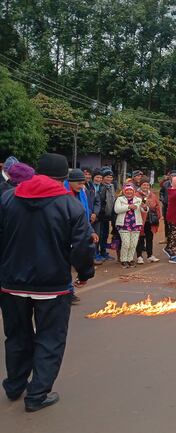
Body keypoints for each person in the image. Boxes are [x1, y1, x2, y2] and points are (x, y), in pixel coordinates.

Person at [0, 153, 95, 412]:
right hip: (52, 285)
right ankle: (37, 394)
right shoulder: (70, 205)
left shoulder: (8, 198)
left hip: (11, 283)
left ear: (36, 171)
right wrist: (85, 273)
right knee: (50, 338)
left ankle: (14, 385)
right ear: (64, 177)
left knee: (16, 336)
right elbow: (83, 245)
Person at [114, 184, 145, 268]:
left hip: (136, 224)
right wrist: (128, 207)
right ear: (124, 191)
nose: (129, 192)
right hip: (123, 225)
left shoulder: (138, 199)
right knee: (126, 243)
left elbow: (143, 210)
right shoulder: (120, 199)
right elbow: (117, 210)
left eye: (131, 190)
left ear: (133, 191)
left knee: (133, 243)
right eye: (127, 190)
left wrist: (145, 207)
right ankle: (123, 260)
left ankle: (130, 259)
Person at [136, 178, 161, 264]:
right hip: (139, 220)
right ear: (140, 185)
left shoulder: (153, 195)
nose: (146, 186)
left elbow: (157, 205)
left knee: (150, 238)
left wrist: (158, 216)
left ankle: (150, 255)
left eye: (147, 185)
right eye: (144, 185)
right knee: (140, 238)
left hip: (150, 220)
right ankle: (139, 256)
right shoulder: (136, 195)